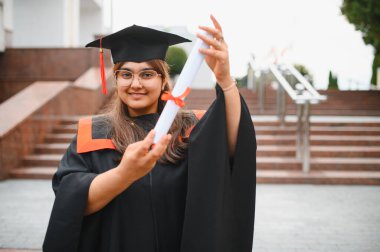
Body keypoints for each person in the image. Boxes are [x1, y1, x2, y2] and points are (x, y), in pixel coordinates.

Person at [43, 15, 257, 252]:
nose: (135, 84)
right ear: (115, 80)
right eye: (126, 74)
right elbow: (71, 200)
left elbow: (234, 142)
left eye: (147, 74)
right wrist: (124, 174)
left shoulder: (190, 126)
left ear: (164, 81)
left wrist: (225, 81)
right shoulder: (94, 132)